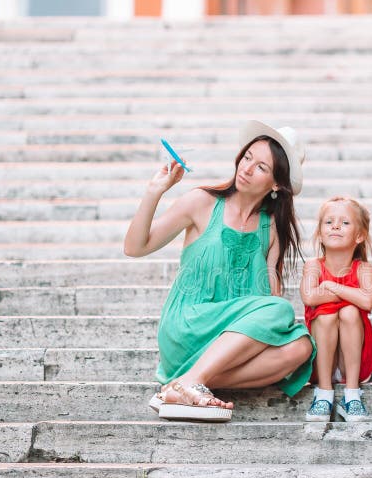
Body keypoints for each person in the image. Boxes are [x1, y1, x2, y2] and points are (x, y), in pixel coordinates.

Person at [124, 120, 316, 422]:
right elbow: (135, 247)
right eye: (248, 157)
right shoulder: (202, 202)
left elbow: (270, 303)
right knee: (279, 310)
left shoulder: (271, 228)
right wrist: (154, 192)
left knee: (301, 347)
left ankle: (185, 383)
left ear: (277, 184)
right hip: (188, 325)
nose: (247, 168)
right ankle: (191, 380)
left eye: (261, 167)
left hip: (229, 340)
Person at [300, 197, 372, 422]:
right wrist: (351, 294)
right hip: (320, 358)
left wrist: (332, 286)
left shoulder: (363, 269)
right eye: (329, 222)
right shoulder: (313, 266)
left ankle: (352, 394)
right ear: (320, 233)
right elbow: (309, 296)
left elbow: (368, 301)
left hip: (353, 360)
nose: (335, 226)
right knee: (325, 316)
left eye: (345, 223)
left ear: (359, 236)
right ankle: (324, 393)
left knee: (350, 312)